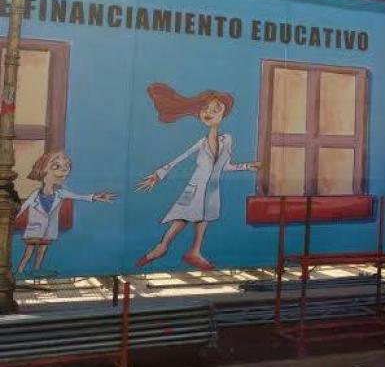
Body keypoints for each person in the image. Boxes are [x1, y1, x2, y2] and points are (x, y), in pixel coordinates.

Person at [134, 83, 260, 271]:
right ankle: (162, 246)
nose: (209, 113)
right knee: (183, 218)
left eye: (215, 110)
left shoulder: (227, 140)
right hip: (196, 187)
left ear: (222, 115)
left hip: (213, 189)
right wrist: (158, 175)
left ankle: (194, 251)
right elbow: (180, 158)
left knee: (203, 218)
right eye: (205, 109)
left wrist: (247, 166)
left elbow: (225, 166)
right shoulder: (201, 143)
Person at [15, 151, 117, 274]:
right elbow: (22, 208)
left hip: (48, 230)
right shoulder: (35, 195)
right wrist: (12, 220)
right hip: (34, 229)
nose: (63, 171)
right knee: (29, 251)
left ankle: (37, 269)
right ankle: (20, 270)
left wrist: (95, 197)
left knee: (42, 250)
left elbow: (79, 196)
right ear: (43, 169)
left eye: (66, 167)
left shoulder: (61, 193)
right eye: (56, 166)